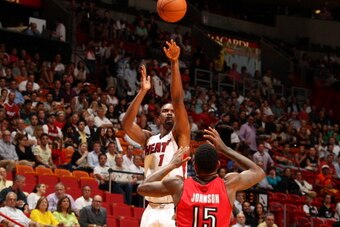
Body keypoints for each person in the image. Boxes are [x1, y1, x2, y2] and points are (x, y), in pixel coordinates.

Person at [122, 40, 190, 226]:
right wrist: (143, 92)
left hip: (172, 207)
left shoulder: (180, 136)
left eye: (173, 112)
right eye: (165, 111)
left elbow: (177, 99)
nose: (170, 113)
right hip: (151, 207)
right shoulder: (148, 138)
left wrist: (174, 63)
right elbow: (126, 124)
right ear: (158, 118)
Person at [137, 127, 265, 227]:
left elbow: (142, 188)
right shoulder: (229, 184)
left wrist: (171, 165)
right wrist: (225, 149)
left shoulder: (178, 185)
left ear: (194, 166)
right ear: (218, 165)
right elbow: (258, 172)